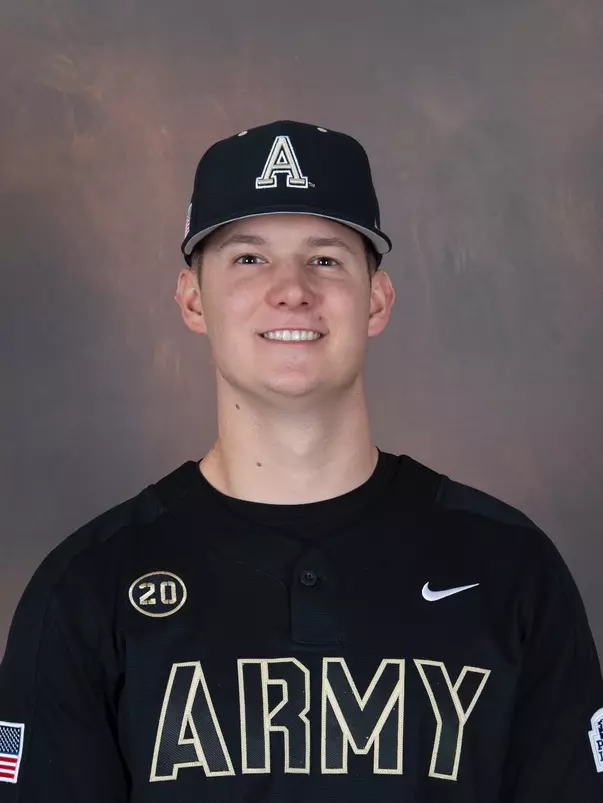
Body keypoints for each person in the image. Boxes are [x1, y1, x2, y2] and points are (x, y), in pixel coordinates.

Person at [0, 120, 602, 802]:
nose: (291, 290)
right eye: (249, 259)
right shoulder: (87, 586)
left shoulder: (508, 567)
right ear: (192, 299)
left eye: (325, 258)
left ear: (376, 299)